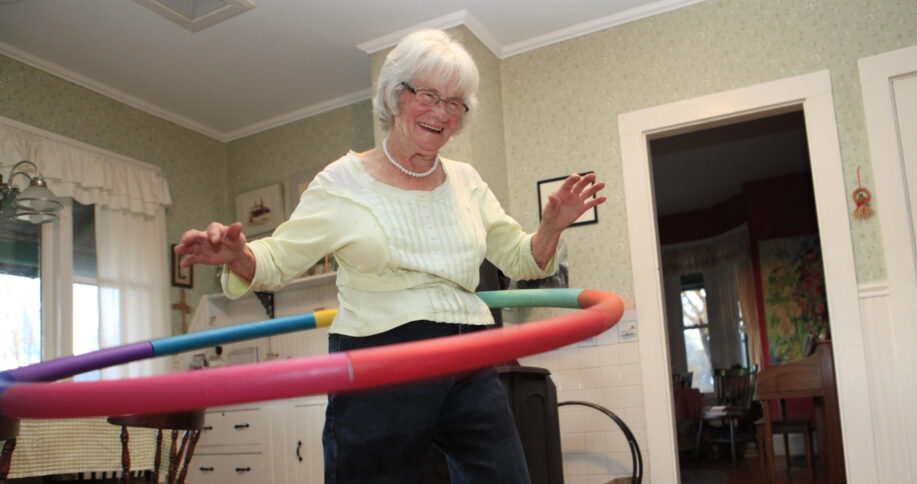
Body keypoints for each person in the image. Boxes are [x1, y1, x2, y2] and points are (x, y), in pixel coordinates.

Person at [174, 29, 605, 483]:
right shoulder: (342, 182)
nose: (441, 112)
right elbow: (276, 261)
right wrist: (236, 255)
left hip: (470, 353)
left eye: (455, 102)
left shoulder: (467, 181)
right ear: (394, 96)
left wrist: (551, 227)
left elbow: (521, 259)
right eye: (428, 94)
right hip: (379, 358)